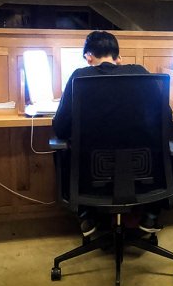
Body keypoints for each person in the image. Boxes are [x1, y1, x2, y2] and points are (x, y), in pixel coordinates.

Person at [52, 30, 167, 237]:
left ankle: (86, 213)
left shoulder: (80, 77)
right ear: (118, 58)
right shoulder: (141, 73)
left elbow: (60, 126)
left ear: (89, 56)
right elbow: (165, 121)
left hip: (92, 177)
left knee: (61, 148)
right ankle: (151, 213)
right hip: (142, 175)